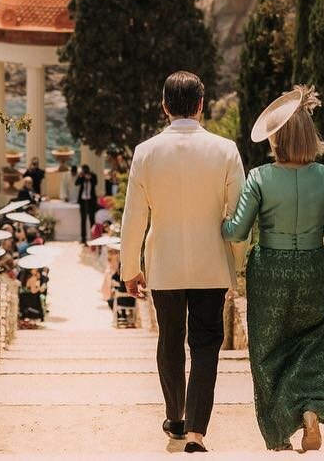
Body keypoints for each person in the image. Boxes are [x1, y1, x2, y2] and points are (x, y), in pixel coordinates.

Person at [120, 71, 244, 454]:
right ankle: (196, 432)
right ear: (202, 105)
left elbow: (133, 218)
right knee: (206, 345)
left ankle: (175, 418)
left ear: (164, 106)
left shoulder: (146, 152)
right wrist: (235, 266)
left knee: (170, 339)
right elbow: (239, 217)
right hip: (211, 265)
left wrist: (130, 268)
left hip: (165, 265)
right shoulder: (225, 150)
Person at [222, 86, 324, 453]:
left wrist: (217, 220)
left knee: (267, 349)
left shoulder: (259, 178)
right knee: (315, 341)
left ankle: (279, 433)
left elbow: (237, 231)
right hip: (313, 266)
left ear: (277, 139)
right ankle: (310, 409)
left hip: (270, 270)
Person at [73, 163, 99, 244]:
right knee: (83, 220)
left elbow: (95, 183)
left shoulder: (93, 175)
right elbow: (76, 183)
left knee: (92, 220)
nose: (84, 172)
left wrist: (90, 178)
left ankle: (93, 237)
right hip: (83, 201)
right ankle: (83, 238)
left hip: (91, 201)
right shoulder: (82, 177)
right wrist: (80, 176)